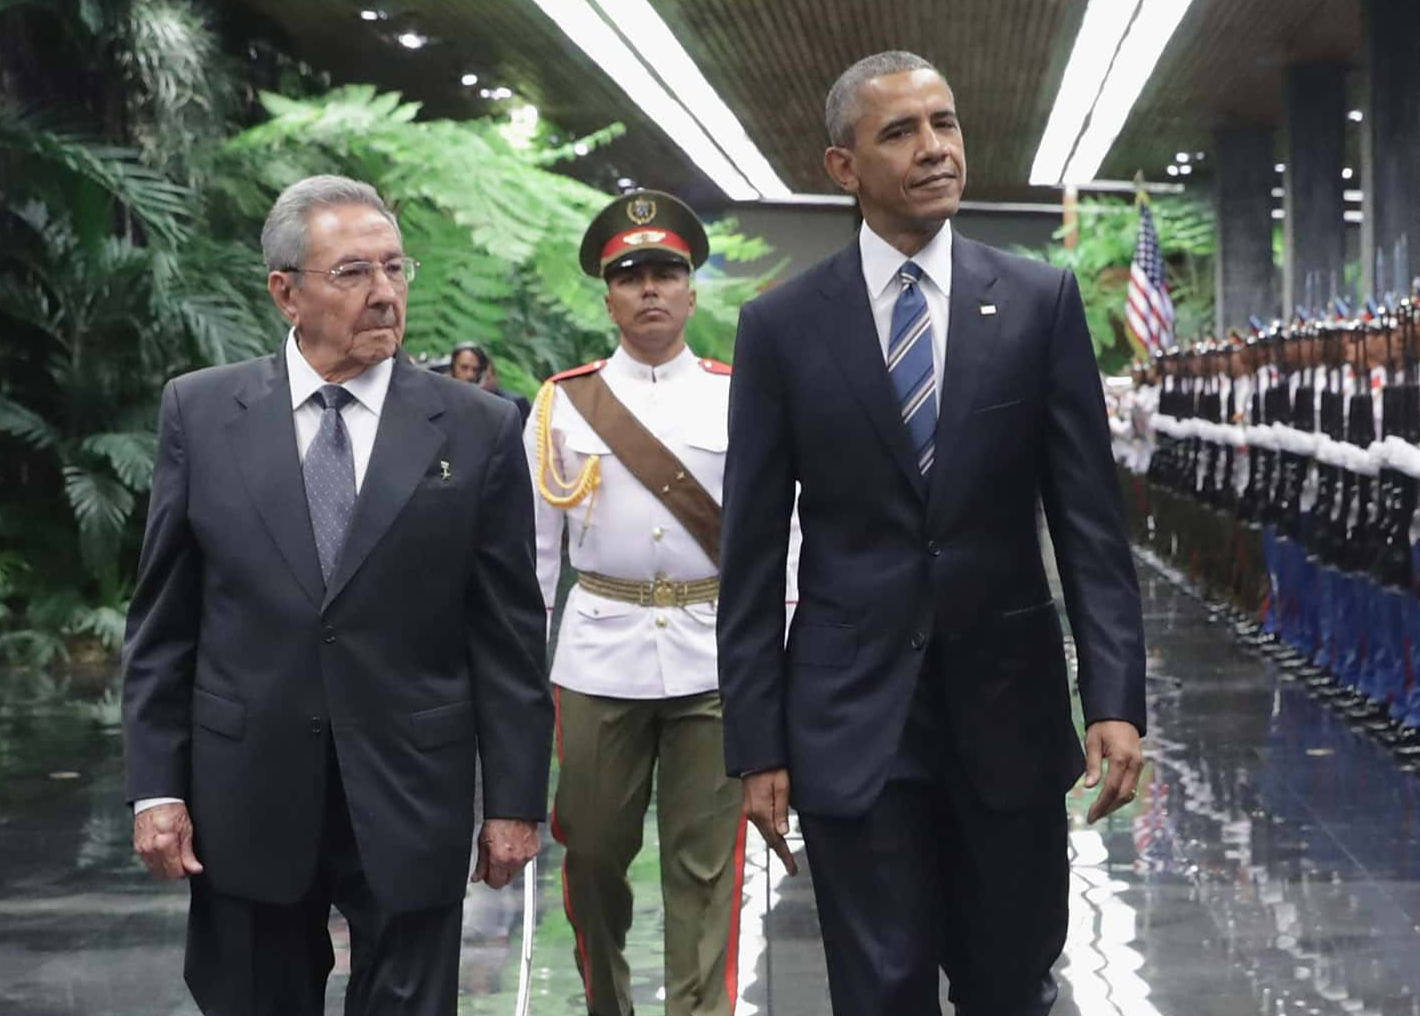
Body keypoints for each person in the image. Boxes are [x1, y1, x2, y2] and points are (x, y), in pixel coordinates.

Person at [717, 52, 1147, 1016]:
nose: (933, 149)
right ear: (843, 168)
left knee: (1009, 982)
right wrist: (757, 743)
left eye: (944, 124)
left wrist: (1115, 697)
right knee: (880, 988)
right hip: (851, 716)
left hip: (1011, 705)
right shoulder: (782, 326)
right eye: (900, 133)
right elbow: (748, 550)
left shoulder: (1039, 302)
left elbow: (1088, 523)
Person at [121, 174, 553, 1016]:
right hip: (244, 791)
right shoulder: (202, 413)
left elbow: (507, 631)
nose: (384, 293)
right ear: (286, 292)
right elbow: (164, 623)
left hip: (409, 786)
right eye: (353, 273)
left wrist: (513, 801)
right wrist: (157, 788)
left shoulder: (478, 428)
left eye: (395, 268)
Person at [525, 189, 796, 1016]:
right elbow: (536, 561)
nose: (650, 288)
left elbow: (781, 541)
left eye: (666, 272)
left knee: (705, 866)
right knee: (596, 852)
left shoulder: (739, 395)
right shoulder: (562, 404)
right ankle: (608, 1001)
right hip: (599, 655)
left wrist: (781, 666)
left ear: (692, 289)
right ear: (606, 295)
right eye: (631, 274)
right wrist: (522, 687)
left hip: (716, 658)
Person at [449, 341, 533, 425]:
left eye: (475, 370)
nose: (470, 375)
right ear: (452, 368)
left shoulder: (511, 403)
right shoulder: (443, 397)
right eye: (464, 367)